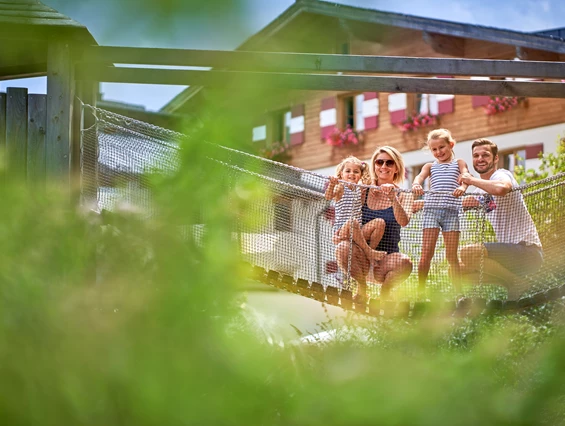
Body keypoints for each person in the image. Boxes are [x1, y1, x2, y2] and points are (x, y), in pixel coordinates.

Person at [458, 138, 543, 300]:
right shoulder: (480, 190)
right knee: (457, 270)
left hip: (528, 252)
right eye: (476, 156)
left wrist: (469, 179)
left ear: (496, 158)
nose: (480, 159)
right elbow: (455, 203)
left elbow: (502, 188)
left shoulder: (501, 174)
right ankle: (511, 283)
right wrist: (417, 203)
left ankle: (515, 283)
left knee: (467, 252)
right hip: (508, 257)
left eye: (485, 155)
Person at [334, 146, 414, 302]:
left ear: (397, 168)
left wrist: (393, 198)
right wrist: (340, 234)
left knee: (405, 263)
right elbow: (342, 194)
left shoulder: (404, 194)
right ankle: (362, 287)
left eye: (389, 163)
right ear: (374, 166)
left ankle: (384, 295)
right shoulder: (363, 189)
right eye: (379, 162)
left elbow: (404, 221)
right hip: (360, 259)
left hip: (384, 261)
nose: (384, 166)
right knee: (342, 247)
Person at [412, 129, 469, 295]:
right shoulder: (430, 166)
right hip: (432, 212)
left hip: (451, 213)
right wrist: (416, 184)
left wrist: (462, 187)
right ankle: (420, 291)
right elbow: (419, 177)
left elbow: (466, 176)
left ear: (451, 145)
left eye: (442, 147)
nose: (439, 152)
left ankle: (459, 294)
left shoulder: (458, 163)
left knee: (452, 256)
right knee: (426, 254)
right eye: (434, 149)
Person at [325, 156, 385, 265]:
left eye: (356, 171)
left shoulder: (359, 189)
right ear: (341, 174)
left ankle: (368, 252)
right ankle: (369, 252)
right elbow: (328, 197)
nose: (352, 174)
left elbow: (370, 181)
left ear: (360, 175)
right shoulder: (340, 187)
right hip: (343, 232)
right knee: (352, 222)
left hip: (358, 232)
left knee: (379, 222)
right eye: (348, 171)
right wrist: (332, 184)